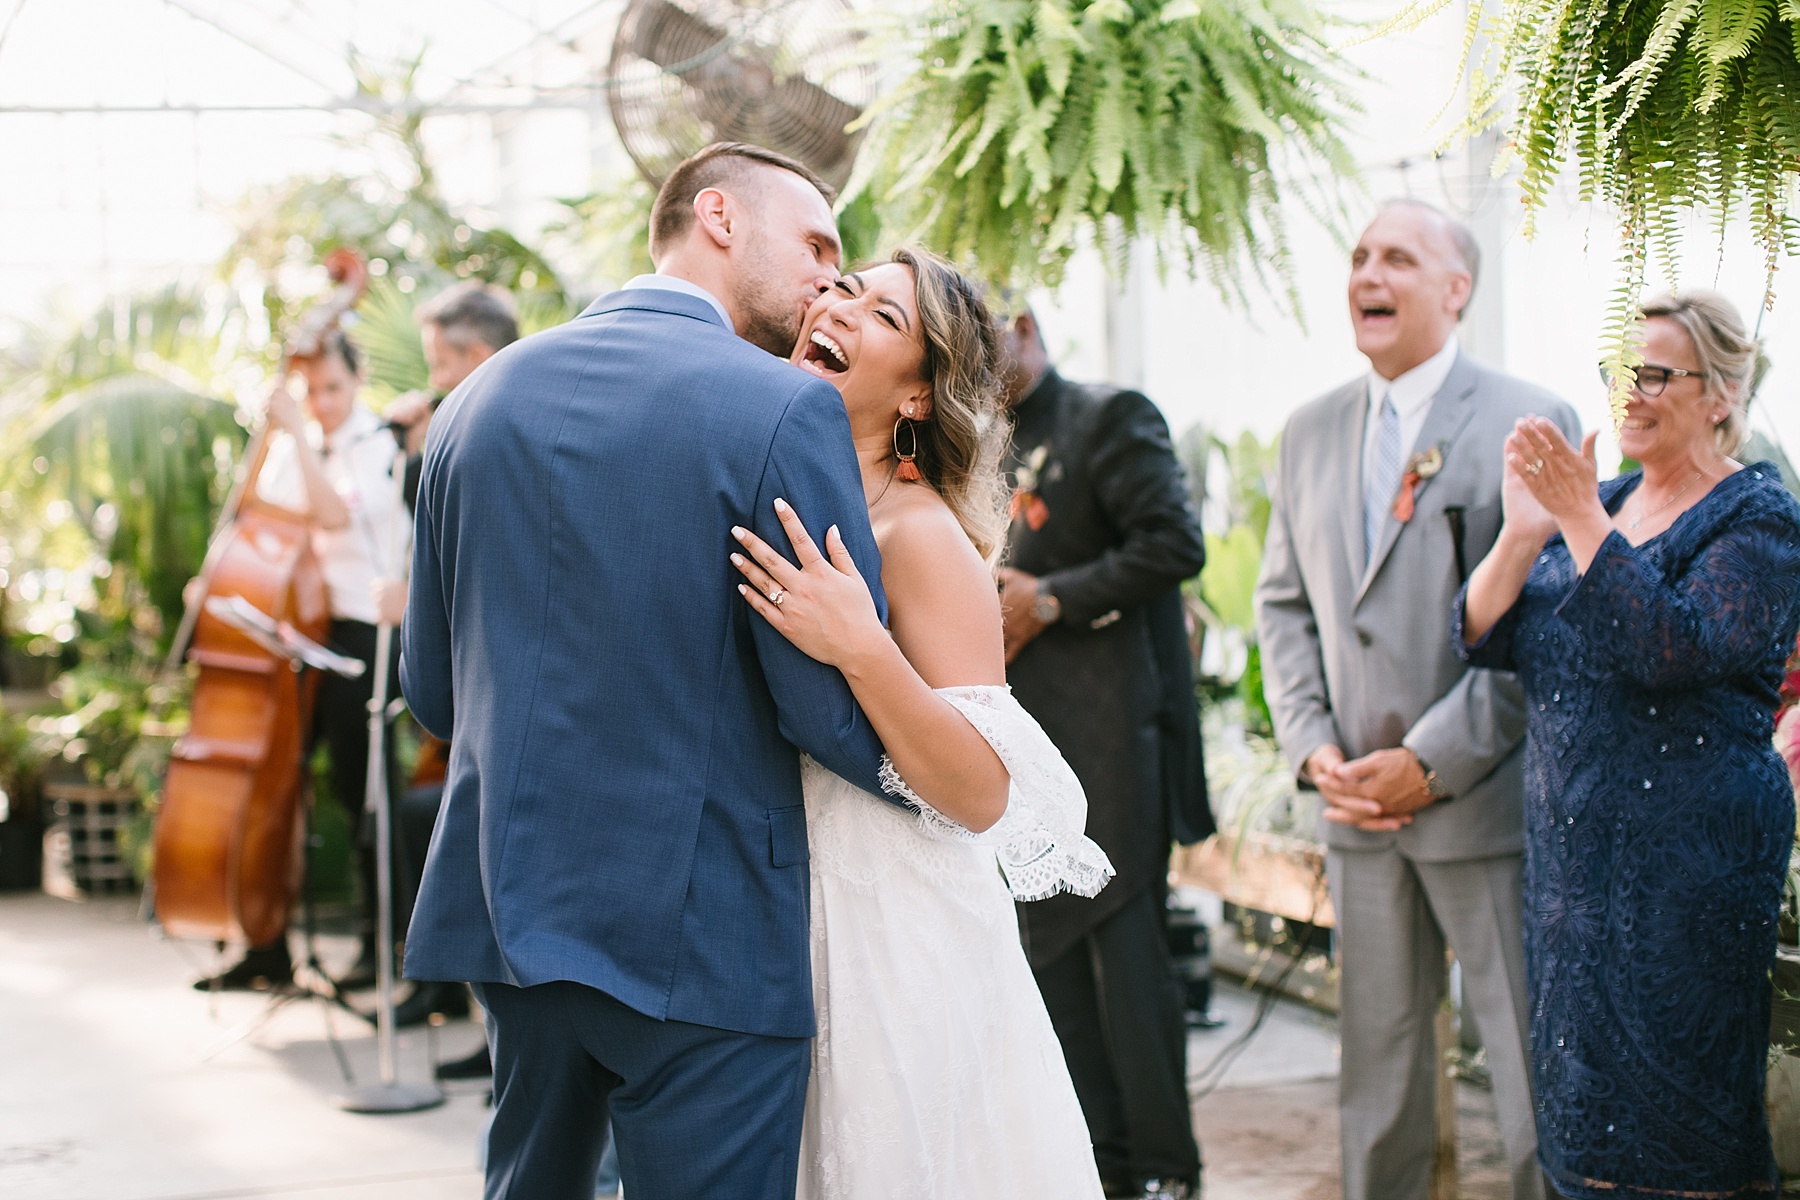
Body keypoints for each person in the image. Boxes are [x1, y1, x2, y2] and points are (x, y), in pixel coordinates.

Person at [402, 142, 891, 1199]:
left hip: (513, 912)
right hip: (703, 930)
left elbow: (436, 697)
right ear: (717, 216)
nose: (827, 277)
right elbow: (829, 711)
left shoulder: (475, 401)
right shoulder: (780, 408)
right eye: (816, 242)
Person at [730, 249, 1113, 1198]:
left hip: (895, 939)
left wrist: (862, 645)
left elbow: (983, 791)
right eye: (843, 288)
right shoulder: (779, 493)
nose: (842, 308)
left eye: (884, 316)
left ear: (914, 398)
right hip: (783, 921)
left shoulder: (922, 535)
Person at [1254, 198, 1579, 1200]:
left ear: (1457, 289)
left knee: (1530, 1074)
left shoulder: (1533, 420)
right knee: (1378, 1083)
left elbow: (1550, 627)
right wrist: (1316, 750)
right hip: (1354, 807)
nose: (1368, 275)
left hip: (1480, 809)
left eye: (1397, 257)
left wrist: (1429, 763)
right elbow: (1283, 606)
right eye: (1357, 257)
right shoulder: (1307, 433)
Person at [1457, 291, 1800, 1198]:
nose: (1629, 392)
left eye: (1655, 373)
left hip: (1689, 872)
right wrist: (1525, 530)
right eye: (1619, 372)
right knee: (1577, 1120)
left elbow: (1669, 646)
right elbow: (1484, 633)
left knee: (1684, 1122)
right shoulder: (1592, 504)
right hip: (1575, 876)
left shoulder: (1758, 518)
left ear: (1721, 393)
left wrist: (1573, 519)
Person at [993, 306, 1210, 1200]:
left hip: (1118, 733)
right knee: (1046, 961)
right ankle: (1099, 1169)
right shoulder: (968, 442)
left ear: (1025, 326)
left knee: (1127, 963)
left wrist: (1047, 599)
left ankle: (1163, 1170)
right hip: (1022, 742)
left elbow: (1174, 545)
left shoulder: (1109, 416)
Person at [195, 330, 407, 992]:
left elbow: (329, 517)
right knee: (276, 788)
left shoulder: (380, 445)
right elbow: (254, 514)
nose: (321, 403)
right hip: (298, 629)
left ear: (358, 378)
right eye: (311, 392)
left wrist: (294, 430)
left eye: (333, 389)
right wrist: (267, 442)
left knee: (364, 794)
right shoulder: (297, 445)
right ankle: (265, 943)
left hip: (364, 631)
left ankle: (385, 949)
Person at [375, 282, 521, 1036]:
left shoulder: (495, 422)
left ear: (475, 355)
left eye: (439, 361)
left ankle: (482, 1012)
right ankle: (456, 998)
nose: (431, 378)